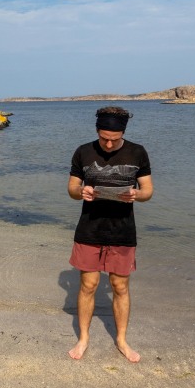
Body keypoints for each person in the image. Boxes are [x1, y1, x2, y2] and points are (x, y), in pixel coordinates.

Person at [67, 106, 153, 362]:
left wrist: (137, 195)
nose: (107, 143)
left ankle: (122, 340)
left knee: (120, 286)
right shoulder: (83, 151)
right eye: (104, 137)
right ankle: (83, 338)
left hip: (123, 230)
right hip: (89, 228)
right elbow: (71, 187)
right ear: (97, 130)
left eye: (114, 139)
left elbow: (148, 190)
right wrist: (80, 191)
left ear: (123, 133)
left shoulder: (138, 152)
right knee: (88, 285)